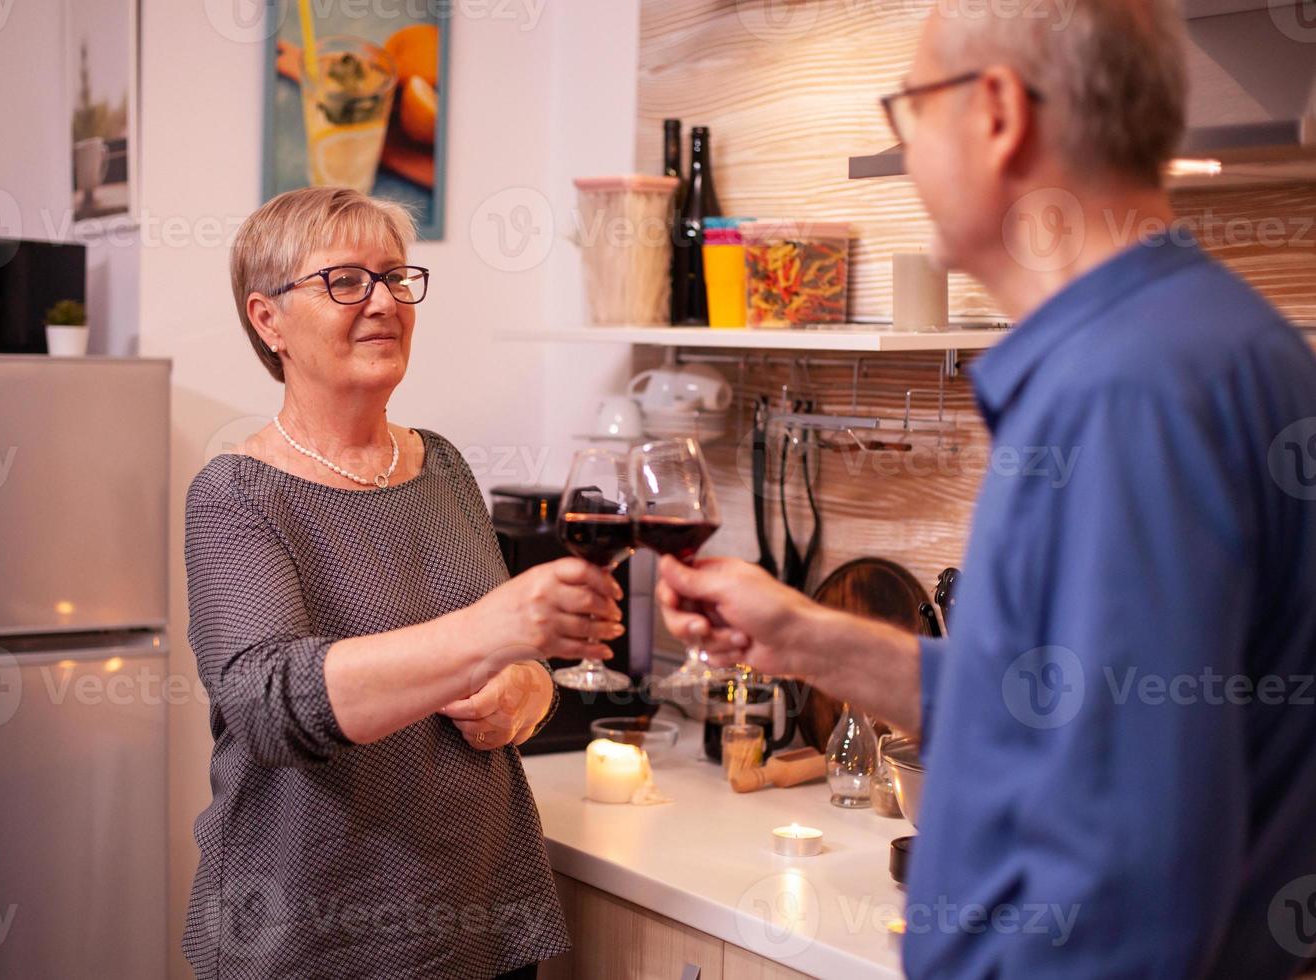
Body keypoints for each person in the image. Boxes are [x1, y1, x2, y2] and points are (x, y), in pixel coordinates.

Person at [657, 3, 1316, 976]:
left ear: (998, 111)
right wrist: (802, 634)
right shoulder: (1218, 340)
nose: (910, 156)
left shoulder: (1120, 391)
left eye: (912, 112)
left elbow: (1132, 867)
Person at [182, 187, 622, 978]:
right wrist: (493, 634)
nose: (382, 301)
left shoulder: (442, 465)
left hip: (479, 917)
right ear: (267, 319)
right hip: (314, 940)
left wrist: (527, 689)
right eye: (345, 281)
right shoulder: (236, 495)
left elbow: (516, 667)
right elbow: (270, 704)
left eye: (394, 277)